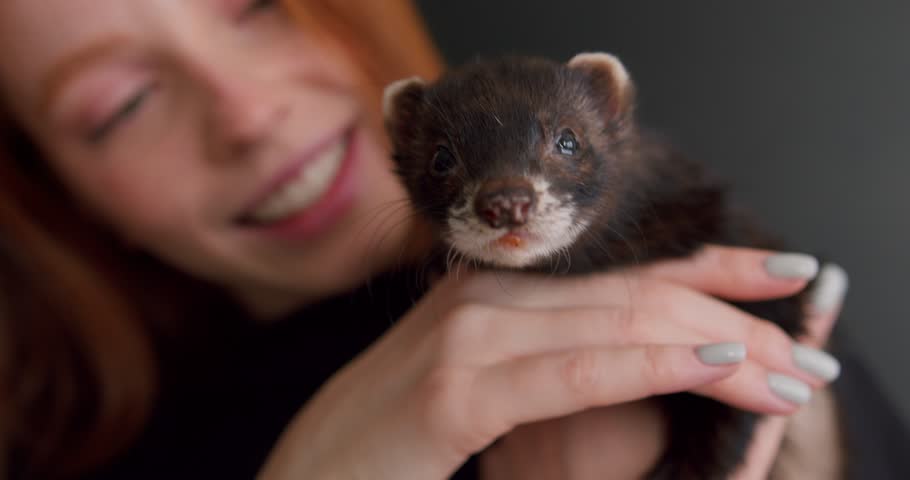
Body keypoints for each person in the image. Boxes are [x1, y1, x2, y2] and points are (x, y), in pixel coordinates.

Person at [0, 1, 906, 479]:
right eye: (119, 106)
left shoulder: (708, 250)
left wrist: (799, 445)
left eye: (259, 4)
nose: (247, 113)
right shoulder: (97, 455)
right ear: (63, 194)